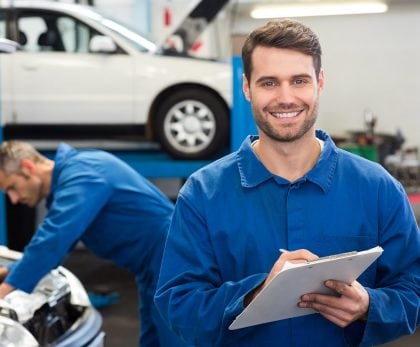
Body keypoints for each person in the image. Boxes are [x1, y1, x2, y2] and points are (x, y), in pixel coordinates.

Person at [154, 19, 420, 346]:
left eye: (299, 80)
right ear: (246, 87)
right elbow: (177, 305)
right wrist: (257, 293)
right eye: (269, 83)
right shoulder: (203, 194)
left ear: (319, 82)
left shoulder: (377, 188)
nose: (286, 98)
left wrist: (370, 305)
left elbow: (413, 291)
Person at [0, 141, 185, 347]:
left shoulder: (84, 174)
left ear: (28, 167)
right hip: (154, 266)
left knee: (173, 340)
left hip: (170, 260)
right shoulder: (75, 177)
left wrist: (5, 290)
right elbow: (53, 250)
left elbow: (55, 237)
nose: (14, 199)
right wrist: (7, 273)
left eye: (12, 188)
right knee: (153, 341)